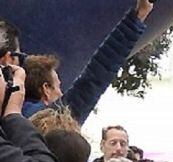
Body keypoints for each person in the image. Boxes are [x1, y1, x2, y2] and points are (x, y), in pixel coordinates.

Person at [20, 1, 153, 124]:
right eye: (58, 87)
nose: (61, 94)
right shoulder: (52, 120)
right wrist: (138, 17)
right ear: (46, 89)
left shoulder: (8, 120)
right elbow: (97, 74)